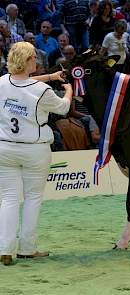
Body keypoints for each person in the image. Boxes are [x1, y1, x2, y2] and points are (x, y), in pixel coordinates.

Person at [0, 41, 72, 266]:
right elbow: (63, 108)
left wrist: (50, 77)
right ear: (26, 61)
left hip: (5, 147)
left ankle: (5, 249)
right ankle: (27, 248)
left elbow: (22, 83)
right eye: (33, 58)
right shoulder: (42, 91)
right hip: (34, 149)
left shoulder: (2, 82)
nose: (37, 61)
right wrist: (68, 90)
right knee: (33, 198)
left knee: (8, 199)